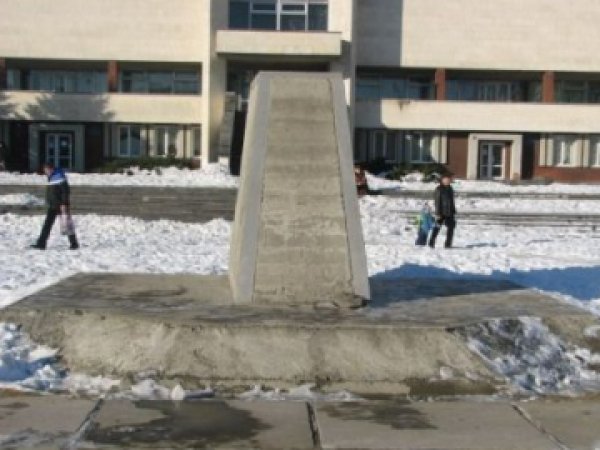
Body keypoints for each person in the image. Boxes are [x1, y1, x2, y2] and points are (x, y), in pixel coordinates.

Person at [31, 163, 79, 250]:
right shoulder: (52, 178)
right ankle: (41, 243)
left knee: (66, 224)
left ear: (51, 169)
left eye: (46, 170)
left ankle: (74, 244)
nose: (45, 172)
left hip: (61, 205)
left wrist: (64, 204)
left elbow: (65, 192)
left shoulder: (60, 177)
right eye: (45, 170)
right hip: (53, 205)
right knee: (47, 224)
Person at [429, 174, 457, 249]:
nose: (447, 181)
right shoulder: (439, 189)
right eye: (446, 180)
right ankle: (431, 242)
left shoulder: (450, 188)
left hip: (450, 212)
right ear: (442, 180)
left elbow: (451, 201)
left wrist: (453, 210)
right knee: (437, 228)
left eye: (448, 180)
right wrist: (438, 213)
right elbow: (437, 202)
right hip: (441, 212)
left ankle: (448, 244)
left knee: (451, 228)